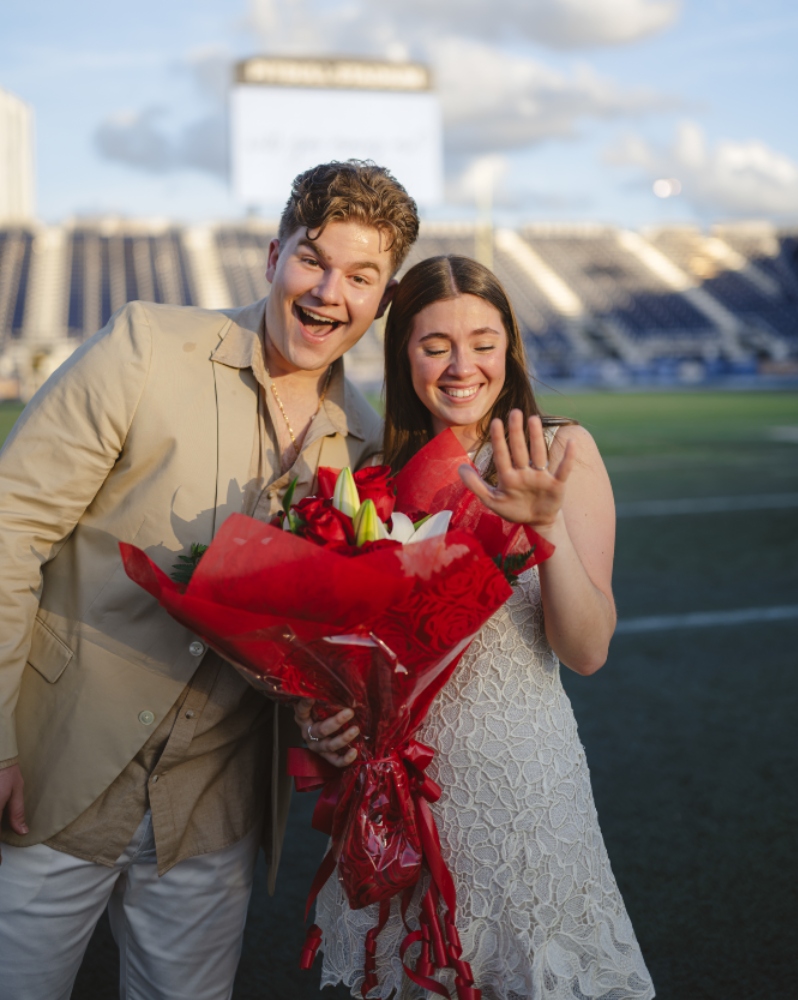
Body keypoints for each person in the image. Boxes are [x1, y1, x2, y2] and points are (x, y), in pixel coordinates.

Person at [0, 160, 419, 1000]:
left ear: (383, 298)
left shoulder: (368, 447)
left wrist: (325, 715)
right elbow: (11, 529)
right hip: (54, 766)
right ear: (273, 256)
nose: (329, 292)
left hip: (213, 811)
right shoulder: (146, 345)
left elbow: (323, 643)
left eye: (360, 276)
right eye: (314, 259)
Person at [300, 256, 655, 999]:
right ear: (405, 355)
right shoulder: (376, 476)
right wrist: (323, 716)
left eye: (483, 342)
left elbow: (586, 651)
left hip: (524, 785)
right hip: (402, 796)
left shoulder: (560, 451)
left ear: (510, 347)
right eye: (435, 346)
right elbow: (355, 659)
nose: (462, 366)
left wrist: (545, 526)